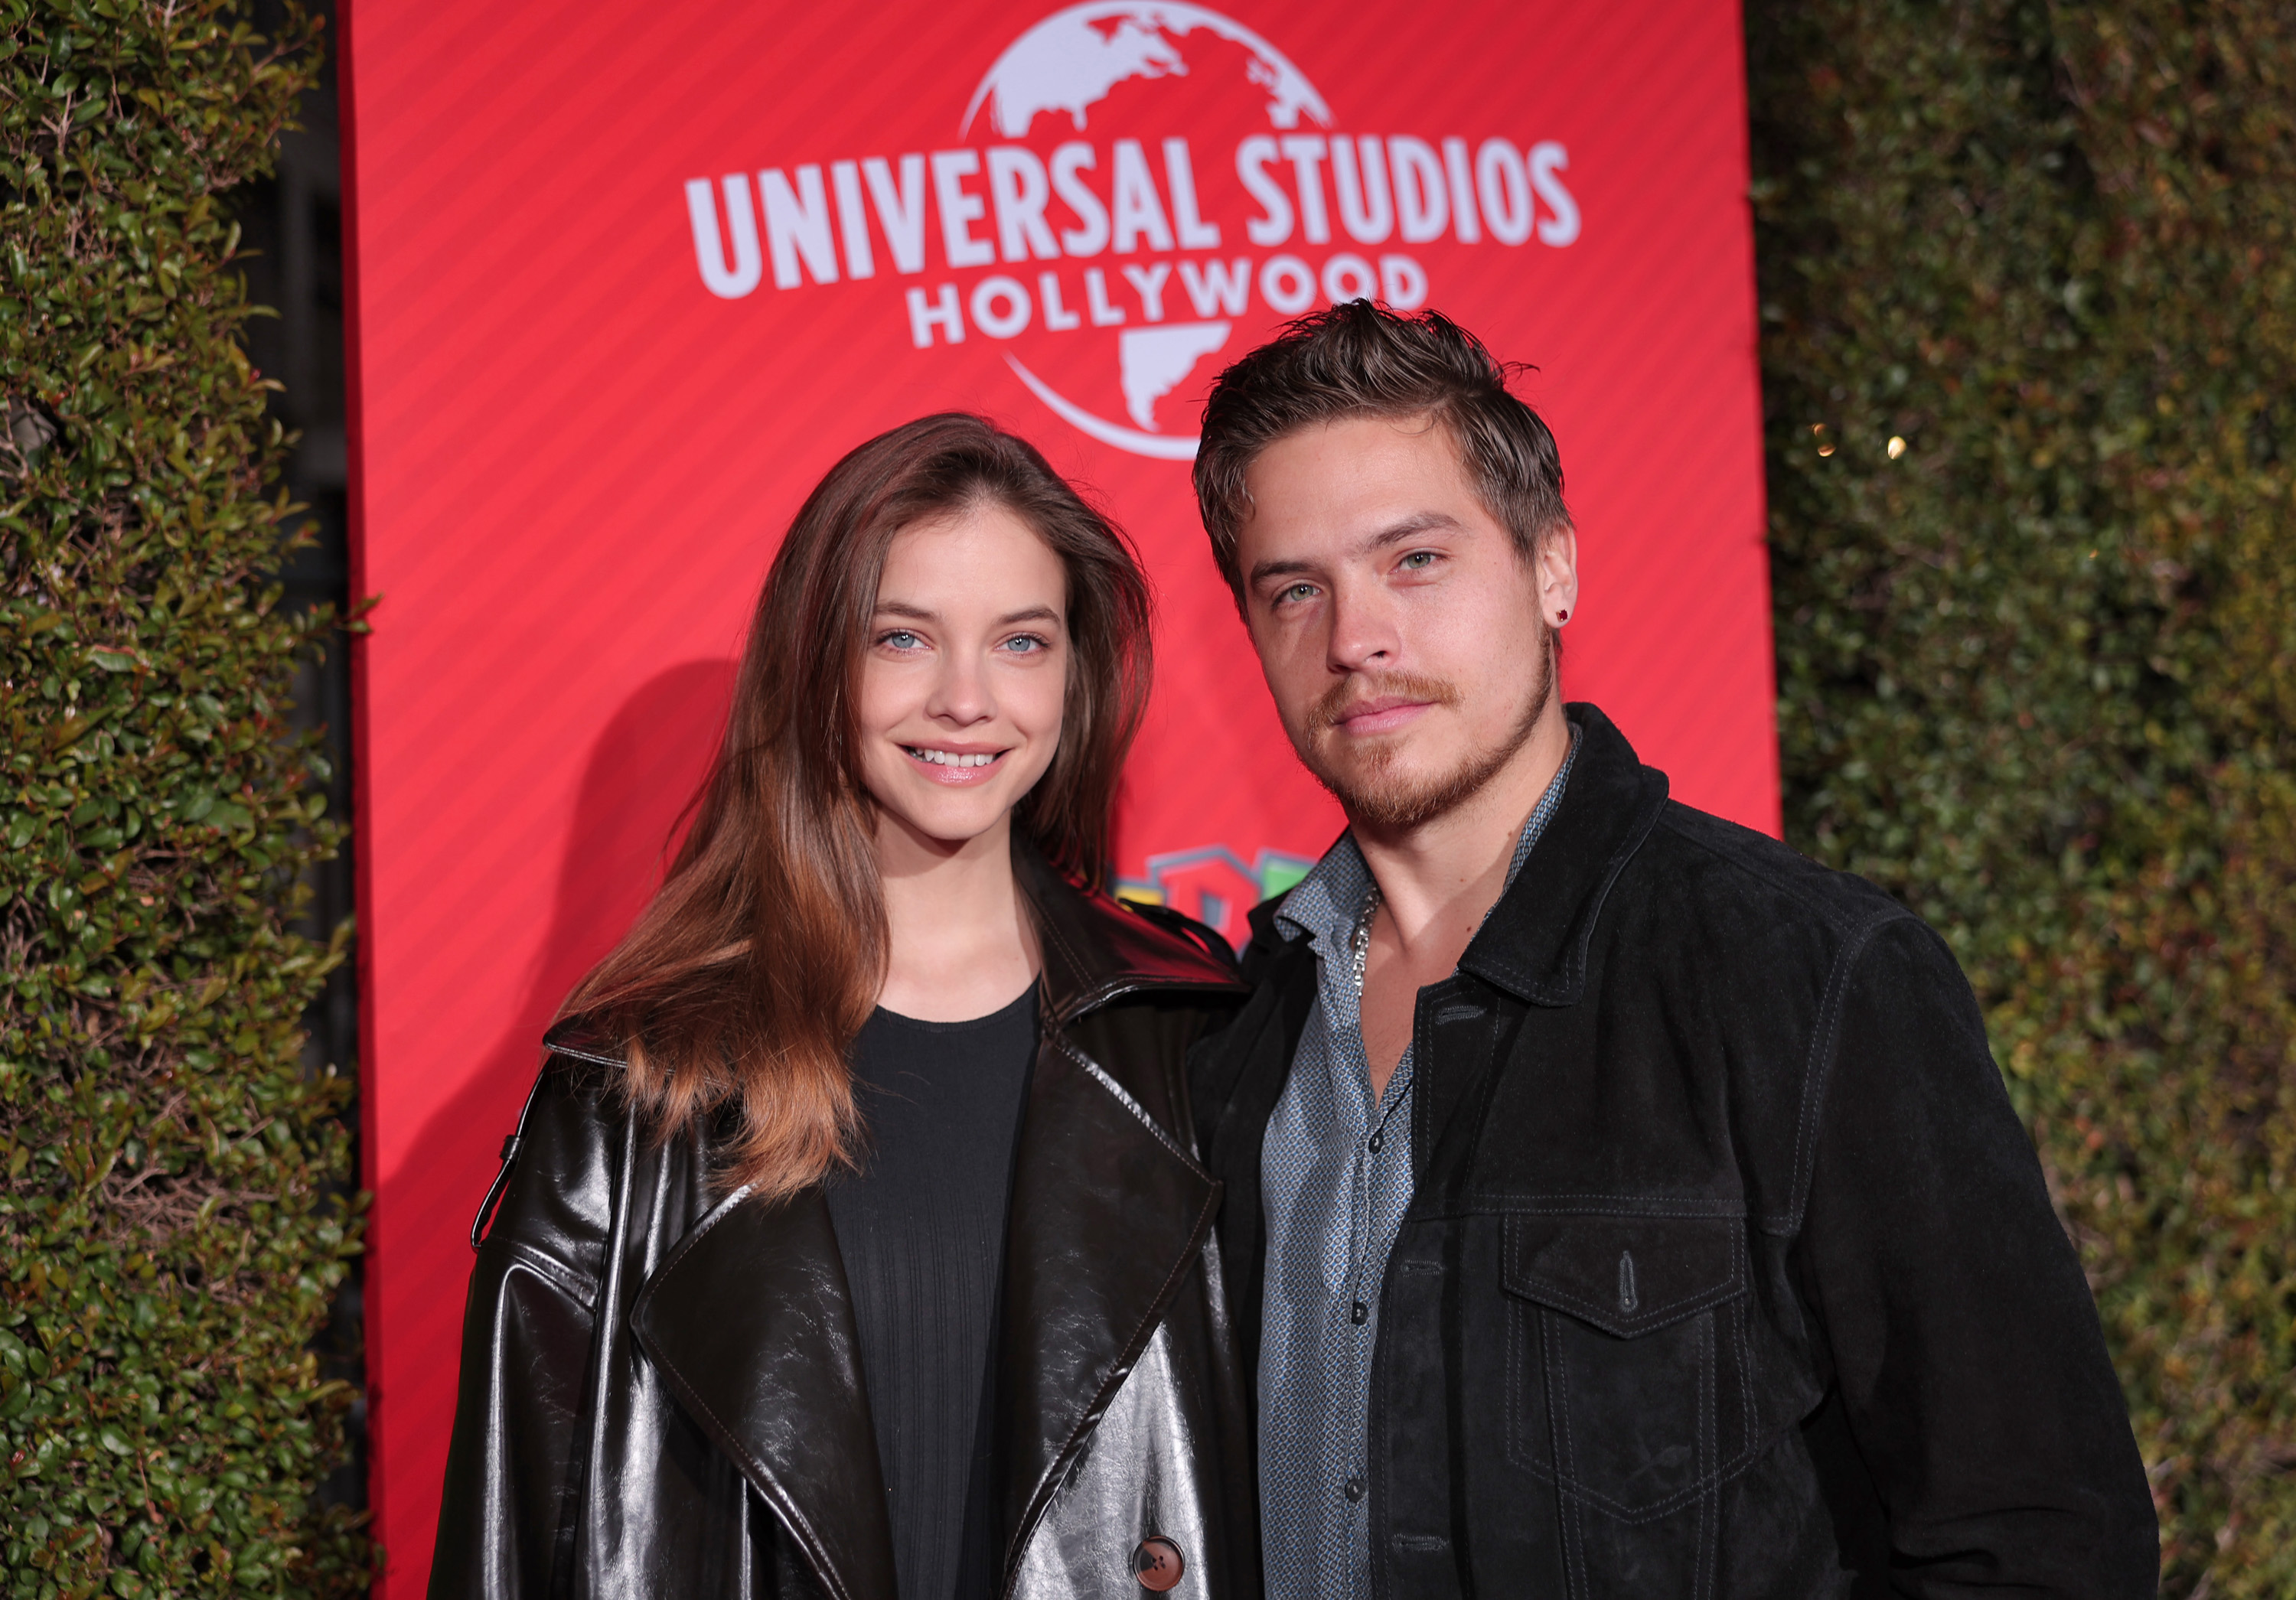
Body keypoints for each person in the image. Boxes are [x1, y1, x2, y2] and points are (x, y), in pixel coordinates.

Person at [1183, 303, 2159, 1598]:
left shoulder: (1813, 980)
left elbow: (2045, 1544)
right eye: (1295, 589)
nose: (1355, 637)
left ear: (1553, 568)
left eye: (1415, 560)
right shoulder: (1238, 1029)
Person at [429, 414, 1257, 1600]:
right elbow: (509, 1544)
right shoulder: (635, 1089)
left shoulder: (1193, 1035)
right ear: (818, 662)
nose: (966, 699)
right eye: (903, 637)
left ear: (1076, 679)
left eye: (1021, 642)